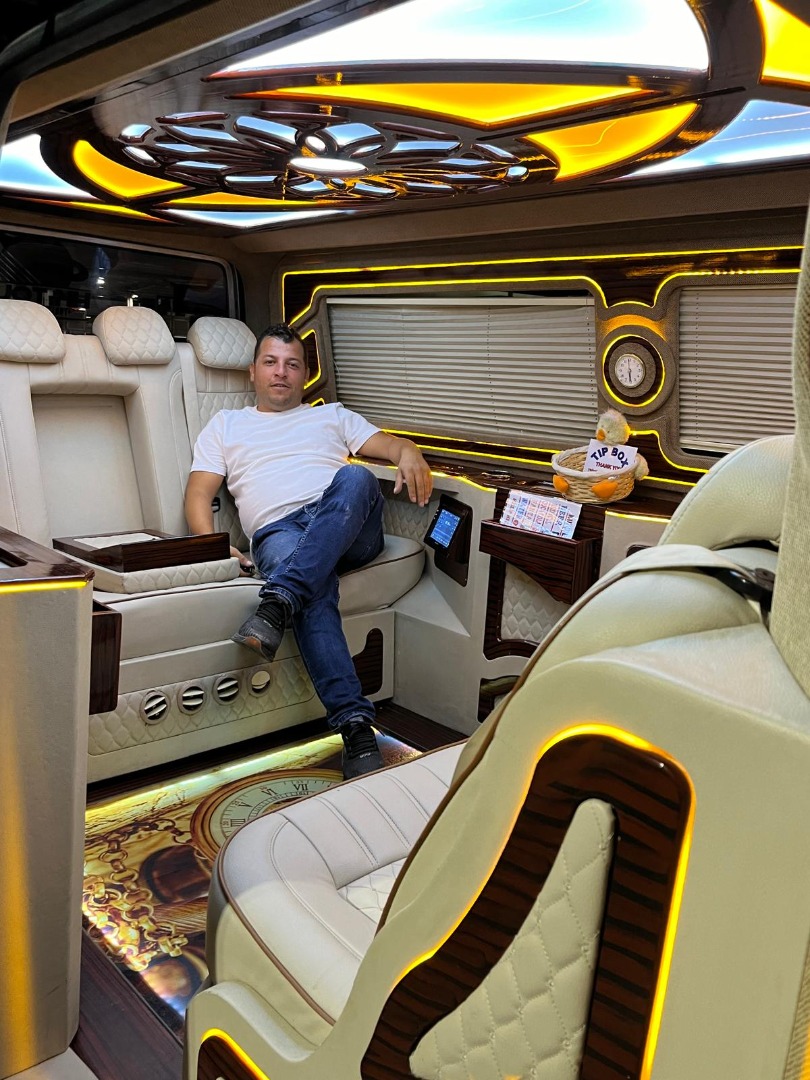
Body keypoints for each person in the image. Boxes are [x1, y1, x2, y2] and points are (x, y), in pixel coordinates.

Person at [184, 323, 433, 779]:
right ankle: (355, 726)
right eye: (271, 362)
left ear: (304, 375)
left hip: (346, 525)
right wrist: (216, 549)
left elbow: (389, 446)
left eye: (292, 364)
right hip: (277, 533)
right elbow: (199, 494)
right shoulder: (226, 426)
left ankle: (278, 600)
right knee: (310, 585)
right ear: (253, 372)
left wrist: (409, 451)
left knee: (356, 477)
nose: (281, 372)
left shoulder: (332, 416)